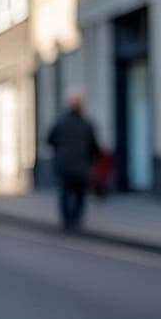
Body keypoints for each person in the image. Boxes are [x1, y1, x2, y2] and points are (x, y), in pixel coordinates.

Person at [46, 91, 100, 231]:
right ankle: (76, 219)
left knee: (65, 192)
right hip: (81, 165)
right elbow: (94, 146)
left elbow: (49, 140)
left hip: (64, 165)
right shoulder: (87, 124)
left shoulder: (61, 122)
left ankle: (67, 220)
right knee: (80, 193)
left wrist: (60, 149)